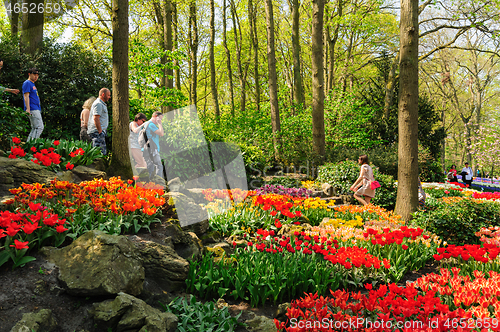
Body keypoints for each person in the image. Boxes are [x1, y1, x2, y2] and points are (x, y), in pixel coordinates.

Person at [142, 111, 165, 182]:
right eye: (160, 118)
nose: (160, 120)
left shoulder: (145, 124)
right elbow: (161, 133)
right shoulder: (151, 124)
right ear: (155, 116)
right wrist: (160, 124)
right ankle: (158, 183)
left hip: (146, 149)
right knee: (159, 166)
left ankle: (148, 183)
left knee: (150, 167)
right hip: (152, 149)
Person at [87, 88, 111, 155]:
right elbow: (96, 118)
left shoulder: (101, 103)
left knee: (101, 153)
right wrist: (100, 131)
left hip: (99, 132)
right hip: (97, 132)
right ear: (103, 94)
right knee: (99, 154)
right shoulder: (98, 104)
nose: (109, 97)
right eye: (108, 95)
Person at [23, 68, 43, 141]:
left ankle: (29, 144)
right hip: (32, 108)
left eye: (37, 75)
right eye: (34, 74)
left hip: (36, 108)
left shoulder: (32, 84)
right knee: (39, 127)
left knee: (35, 127)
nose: (36, 76)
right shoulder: (27, 83)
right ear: (29, 74)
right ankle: (33, 144)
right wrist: (28, 109)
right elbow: (26, 96)